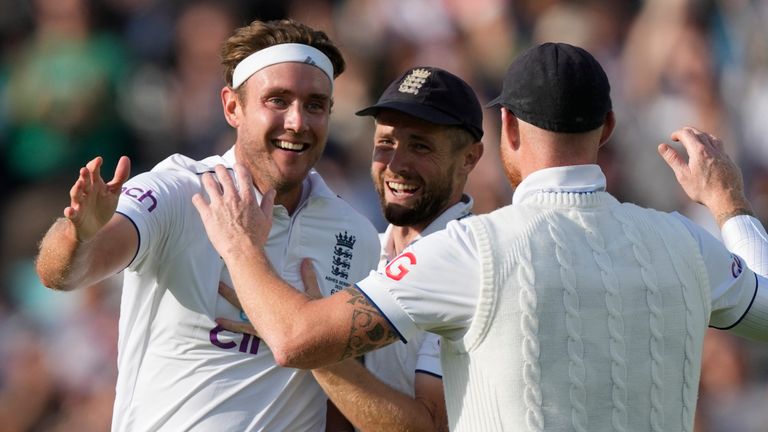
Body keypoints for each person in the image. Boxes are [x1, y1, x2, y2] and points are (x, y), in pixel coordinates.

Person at [192, 42, 768, 431]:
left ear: (505, 130)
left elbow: (295, 339)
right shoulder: (684, 243)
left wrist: (242, 248)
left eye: (422, 144)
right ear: (607, 129)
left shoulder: (472, 249)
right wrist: (729, 203)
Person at [34, 19, 380, 431]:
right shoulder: (177, 192)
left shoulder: (356, 235)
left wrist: (305, 339)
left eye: (315, 104)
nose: (297, 122)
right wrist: (80, 235)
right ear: (232, 107)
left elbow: (344, 407)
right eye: (278, 100)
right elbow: (61, 274)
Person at [217, 66, 485, 431]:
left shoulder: (470, 265)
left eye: (420, 146)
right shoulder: (368, 249)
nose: (396, 165)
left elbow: (429, 427)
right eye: (386, 143)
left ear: (470, 157)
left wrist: (308, 340)